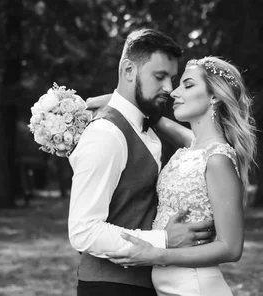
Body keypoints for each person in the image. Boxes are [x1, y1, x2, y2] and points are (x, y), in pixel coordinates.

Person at [87, 56, 257, 296]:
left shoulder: (218, 160)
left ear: (215, 95)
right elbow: (164, 125)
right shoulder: (196, 148)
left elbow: (231, 248)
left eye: (188, 85)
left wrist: (157, 253)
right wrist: (118, 104)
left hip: (195, 286)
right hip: (169, 286)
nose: (174, 92)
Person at [68, 29, 216, 296]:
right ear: (128, 71)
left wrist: (156, 120)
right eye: (159, 77)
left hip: (146, 284)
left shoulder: (145, 129)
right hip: (110, 288)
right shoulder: (106, 134)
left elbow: (208, 146)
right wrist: (165, 240)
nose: (170, 89)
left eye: (172, 78)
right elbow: (83, 230)